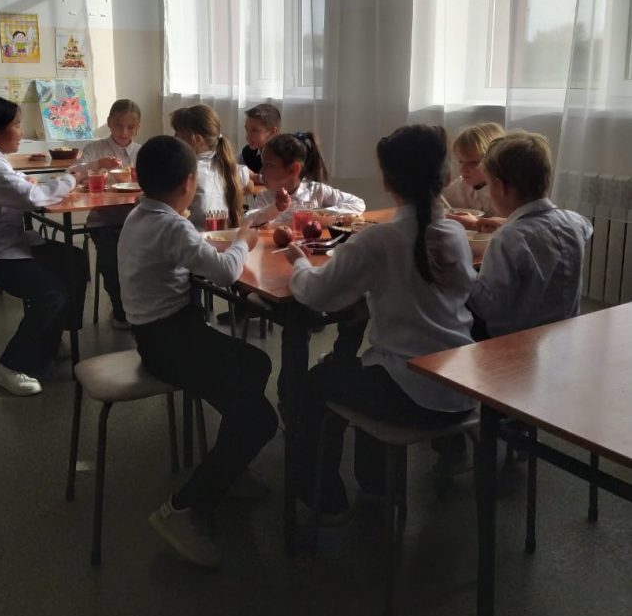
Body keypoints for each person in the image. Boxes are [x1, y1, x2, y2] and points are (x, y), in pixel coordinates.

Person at [286, 125, 477, 517]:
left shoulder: (378, 241)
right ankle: (376, 488)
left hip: (413, 394)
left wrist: (299, 262)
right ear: (445, 178)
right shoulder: (454, 233)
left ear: (387, 182)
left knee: (312, 386)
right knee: (366, 367)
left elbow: (316, 294)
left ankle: (324, 501)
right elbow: (440, 293)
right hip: (463, 387)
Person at [118, 135, 278, 568]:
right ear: (190, 182)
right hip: (171, 341)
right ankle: (183, 508)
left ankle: (231, 460)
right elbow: (225, 274)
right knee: (262, 419)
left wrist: (218, 245)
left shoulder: (141, 215)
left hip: (156, 336)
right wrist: (244, 240)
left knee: (256, 365)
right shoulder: (172, 226)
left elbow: (191, 256)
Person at [0, 96, 88, 397]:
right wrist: (72, 178)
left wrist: (41, 182)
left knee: (74, 259)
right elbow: (32, 198)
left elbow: (19, 186)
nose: (21, 132)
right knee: (52, 294)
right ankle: (12, 366)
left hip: (5, 242)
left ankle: (52, 338)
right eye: (17, 125)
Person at [468, 131, 592, 338]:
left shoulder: (507, 239)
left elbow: (488, 307)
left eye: (489, 186)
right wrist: (510, 223)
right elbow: (579, 229)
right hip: (564, 336)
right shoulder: (576, 222)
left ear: (501, 186)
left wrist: (462, 269)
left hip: (516, 343)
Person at [80, 99, 142, 330]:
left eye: (130, 127)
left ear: (138, 127)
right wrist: (97, 165)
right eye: (118, 125)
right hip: (104, 220)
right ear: (108, 123)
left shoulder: (141, 152)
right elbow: (74, 175)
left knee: (148, 260)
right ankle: (120, 310)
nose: (124, 132)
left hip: (137, 220)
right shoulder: (94, 150)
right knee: (111, 261)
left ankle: (145, 308)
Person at [244, 132, 365, 226]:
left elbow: (357, 203)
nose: (261, 171)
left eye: (268, 165)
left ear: (293, 169)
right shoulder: (265, 197)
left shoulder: (317, 190)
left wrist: (320, 214)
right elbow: (247, 220)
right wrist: (276, 208)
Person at [170, 104, 251, 230]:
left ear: (196, 139)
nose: (174, 137)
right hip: (224, 236)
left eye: (178, 133)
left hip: (194, 237)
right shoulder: (228, 165)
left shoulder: (186, 172)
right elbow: (250, 185)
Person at [443, 122, 505, 229]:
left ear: (495, 160)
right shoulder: (460, 186)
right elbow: (440, 204)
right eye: (461, 161)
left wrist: (476, 224)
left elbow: (522, 223)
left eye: (473, 163)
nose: (463, 169)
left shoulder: (509, 190)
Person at [239, 103, 281, 182]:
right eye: (247, 130)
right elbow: (235, 170)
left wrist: (256, 178)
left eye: (254, 130)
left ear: (273, 132)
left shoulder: (284, 155)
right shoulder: (246, 152)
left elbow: (282, 179)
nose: (247, 136)